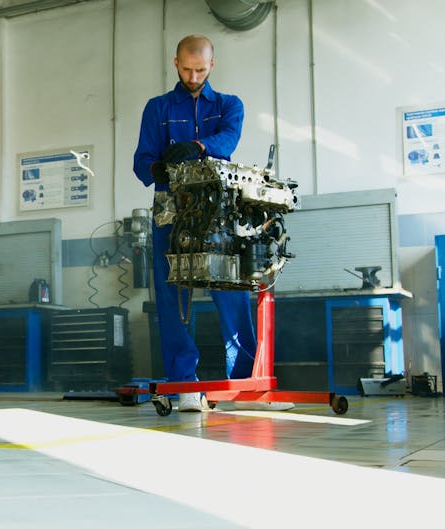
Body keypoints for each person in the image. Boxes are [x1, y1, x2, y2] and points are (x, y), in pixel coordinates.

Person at [133, 35, 290, 412]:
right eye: (186, 69)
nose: (192, 76)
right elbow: (142, 162)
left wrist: (199, 147)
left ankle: (243, 386)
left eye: (200, 70)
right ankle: (185, 386)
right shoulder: (157, 109)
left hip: (220, 209)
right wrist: (159, 167)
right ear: (175, 64)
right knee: (172, 300)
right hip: (171, 212)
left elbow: (229, 138)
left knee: (230, 291)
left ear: (211, 66)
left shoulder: (228, 105)